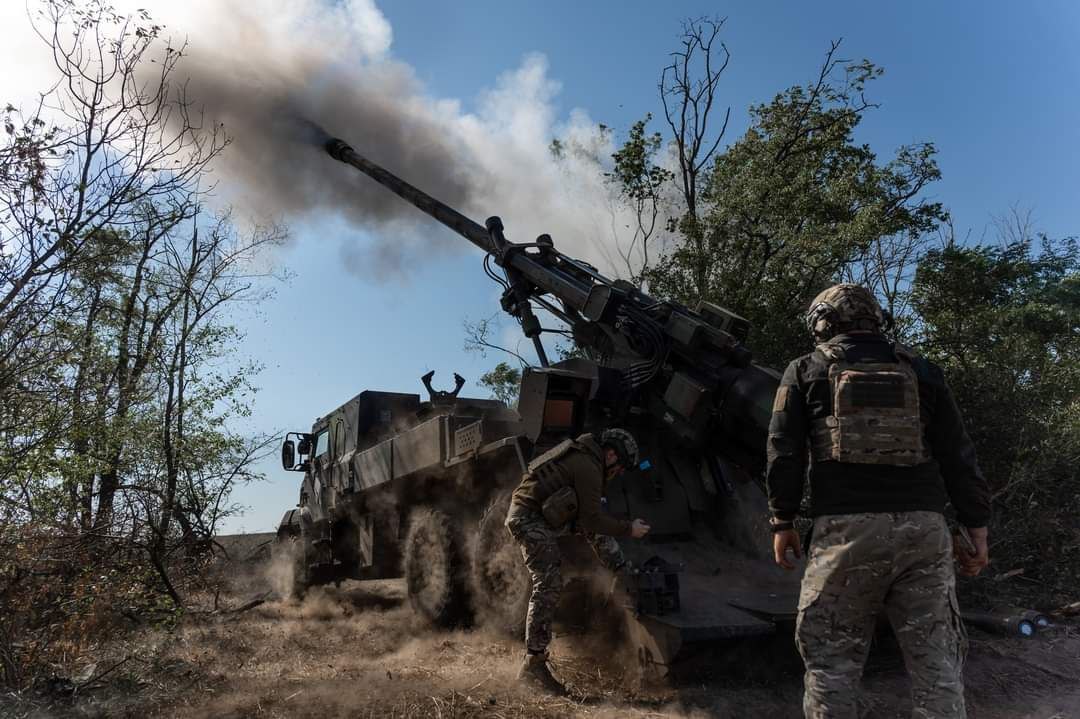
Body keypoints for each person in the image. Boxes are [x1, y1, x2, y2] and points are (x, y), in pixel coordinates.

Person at [766, 283, 991, 719]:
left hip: (845, 535)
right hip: (925, 534)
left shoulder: (805, 370)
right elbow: (959, 454)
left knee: (832, 664)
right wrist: (975, 525)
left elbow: (783, 451)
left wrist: (783, 520)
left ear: (821, 323)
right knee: (937, 663)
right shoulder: (924, 371)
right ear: (878, 319)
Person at [504, 427, 651, 693]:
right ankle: (533, 664)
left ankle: (622, 570)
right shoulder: (588, 467)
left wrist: (619, 568)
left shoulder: (588, 460)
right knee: (548, 582)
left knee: (594, 533)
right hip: (527, 518)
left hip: (542, 515)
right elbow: (592, 519)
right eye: (619, 468)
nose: (618, 474)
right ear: (610, 455)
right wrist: (629, 529)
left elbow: (591, 526)